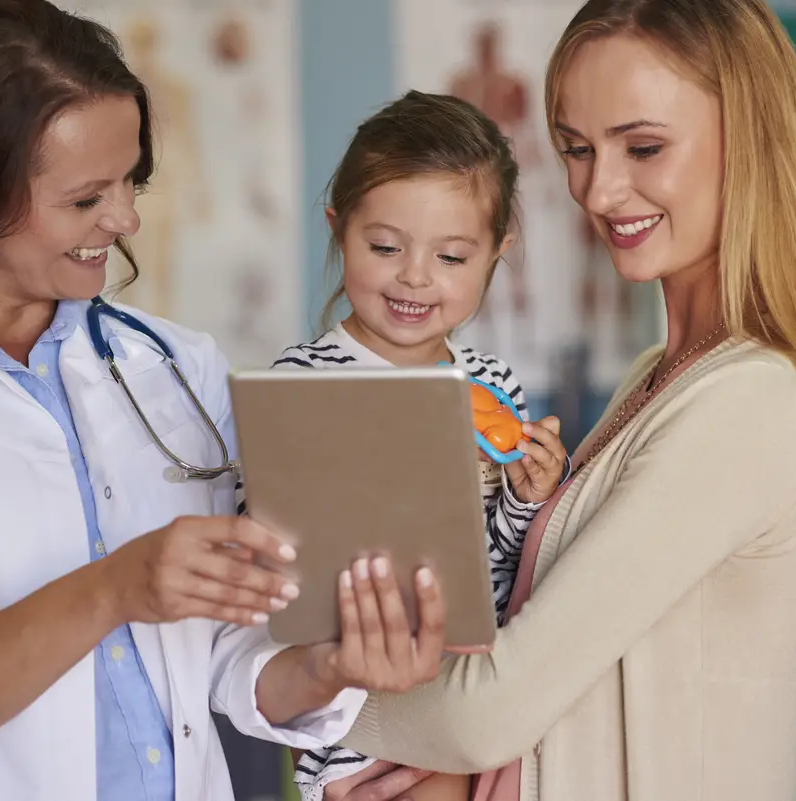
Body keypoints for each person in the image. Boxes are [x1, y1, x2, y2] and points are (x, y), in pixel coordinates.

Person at [0, 3, 448, 800]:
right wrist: (116, 587)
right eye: (86, 199)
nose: (125, 220)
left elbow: (224, 658)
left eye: (130, 182)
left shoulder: (177, 366)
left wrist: (328, 667)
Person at [322, 0, 796, 799]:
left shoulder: (751, 402)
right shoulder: (661, 372)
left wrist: (295, 688)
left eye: (642, 146)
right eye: (576, 148)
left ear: (749, 141)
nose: (600, 192)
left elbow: (490, 712)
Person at [269, 90, 568, 801]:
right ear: (339, 231)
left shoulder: (493, 386)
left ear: (498, 251)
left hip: (470, 703)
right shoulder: (304, 381)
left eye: (452, 256)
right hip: (355, 713)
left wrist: (525, 498)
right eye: (384, 247)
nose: (414, 276)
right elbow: (281, 562)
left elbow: (496, 572)